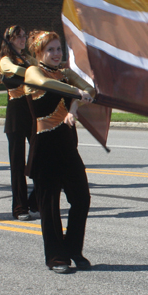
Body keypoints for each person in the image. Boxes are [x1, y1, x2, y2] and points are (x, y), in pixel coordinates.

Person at [25, 30, 95, 274]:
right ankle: (56, 256)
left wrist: (73, 108)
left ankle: (73, 249)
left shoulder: (65, 74)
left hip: (67, 146)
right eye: (50, 50)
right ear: (39, 53)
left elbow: (90, 90)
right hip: (44, 147)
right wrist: (75, 93)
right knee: (50, 205)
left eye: (58, 49)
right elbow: (44, 84)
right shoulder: (33, 72)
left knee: (82, 198)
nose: (56, 54)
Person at [0, 25, 38, 221]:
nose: (22, 39)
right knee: (17, 165)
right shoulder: (6, 61)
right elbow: (18, 72)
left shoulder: (28, 59)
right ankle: (20, 208)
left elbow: (42, 71)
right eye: (18, 36)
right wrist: (32, 70)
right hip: (16, 115)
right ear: (10, 40)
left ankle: (35, 202)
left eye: (24, 36)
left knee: (42, 159)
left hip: (32, 113)